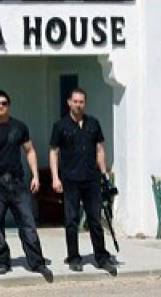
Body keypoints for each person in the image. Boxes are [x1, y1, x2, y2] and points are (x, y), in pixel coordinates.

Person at [0, 90, 52, 279]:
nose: (1, 106)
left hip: (17, 183)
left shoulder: (19, 127)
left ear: (8, 105)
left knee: (28, 223)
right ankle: (2, 261)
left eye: (4, 103)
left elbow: (30, 151)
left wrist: (35, 176)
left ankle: (37, 262)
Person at [49, 88, 117, 275]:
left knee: (95, 220)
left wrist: (104, 174)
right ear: (69, 103)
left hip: (92, 179)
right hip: (70, 179)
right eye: (75, 101)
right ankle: (74, 258)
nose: (78, 105)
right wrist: (55, 177)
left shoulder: (93, 124)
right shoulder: (60, 126)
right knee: (71, 220)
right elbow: (54, 152)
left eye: (82, 102)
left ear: (84, 103)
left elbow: (100, 149)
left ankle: (101, 257)